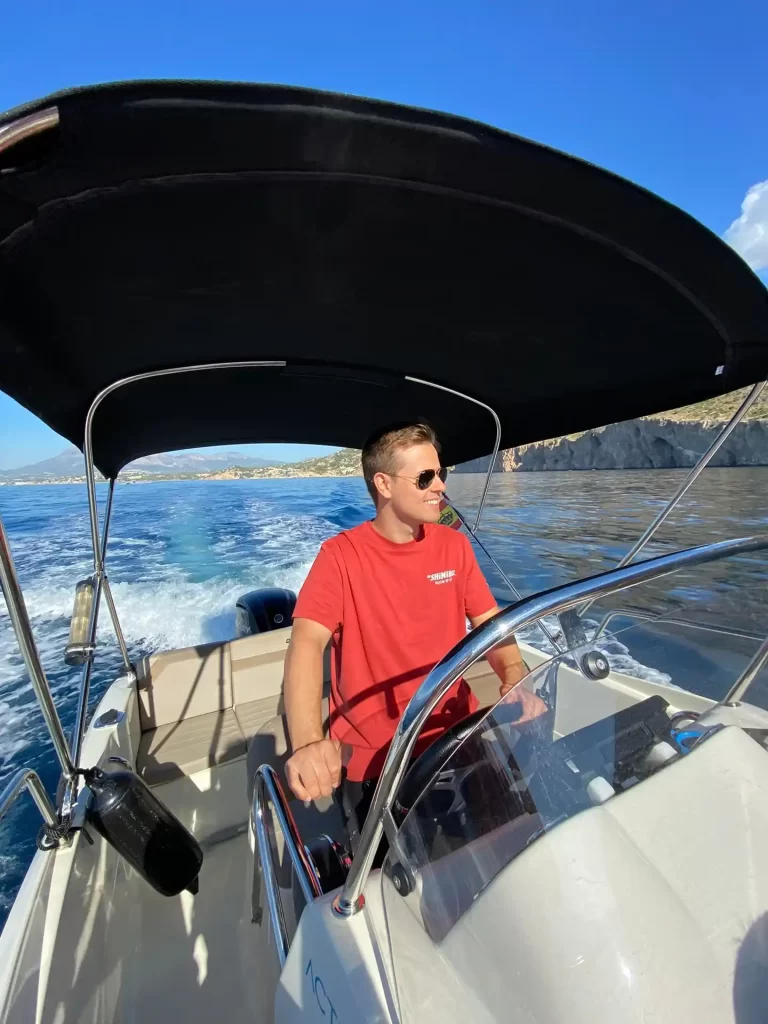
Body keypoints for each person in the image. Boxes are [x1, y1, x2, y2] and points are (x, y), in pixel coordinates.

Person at [283, 422, 546, 837]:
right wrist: (307, 743)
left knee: (519, 840)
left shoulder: (453, 546)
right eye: (425, 477)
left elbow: (489, 623)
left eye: (442, 474)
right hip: (379, 755)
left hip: (457, 732)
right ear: (384, 484)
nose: (439, 486)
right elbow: (305, 645)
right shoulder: (339, 557)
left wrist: (514, 675)